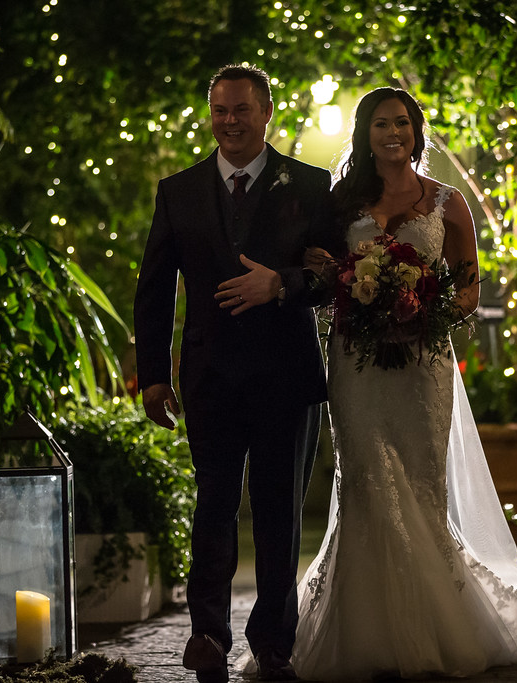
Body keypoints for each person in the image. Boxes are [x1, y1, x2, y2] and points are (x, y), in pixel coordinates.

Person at [289, 87, 517, 679]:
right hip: (357, 362)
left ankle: (436, 625)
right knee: (365, 476)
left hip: (422, 362)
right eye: (382, 123)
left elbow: (469, 291)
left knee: (418, 481)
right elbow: (321, 274)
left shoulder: (448, 201)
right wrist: (348, 290)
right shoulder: (338, 204)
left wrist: (419, 312)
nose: (394, 133)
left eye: (404, 123)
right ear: (364, 133)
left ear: (417, 131)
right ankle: (363, 631)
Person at [133, 64, 335, 683]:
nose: (229, 122)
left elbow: (331, 278)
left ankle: (274, 642)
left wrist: (282, 284)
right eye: (220, 111)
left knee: (279, 514)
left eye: (241, 110)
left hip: (287, 376)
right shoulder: (179, 190)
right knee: (213, 508)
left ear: (266, 112)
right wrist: (153, 375)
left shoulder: (310, 183)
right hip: (209, 377)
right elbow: (153, 289)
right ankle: (207, 635)